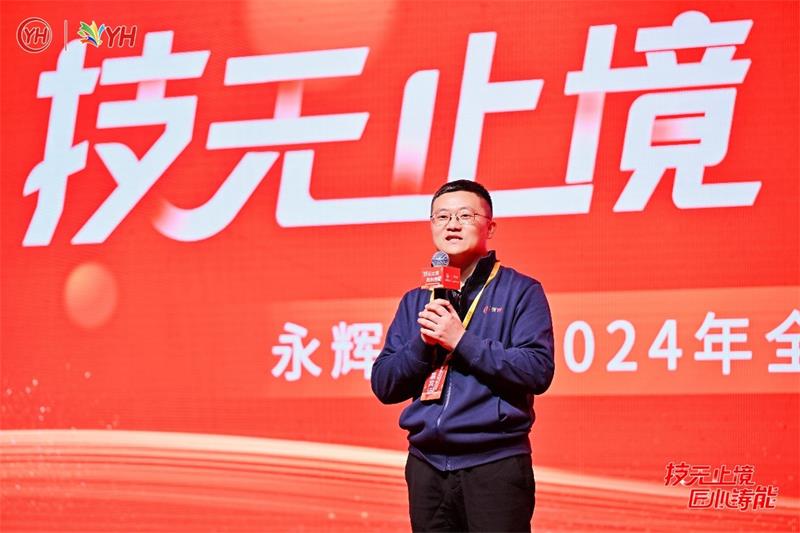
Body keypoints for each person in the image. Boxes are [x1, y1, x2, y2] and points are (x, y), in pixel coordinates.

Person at [370, 180, 555, 532]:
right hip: (426, 466)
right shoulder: (416, 299)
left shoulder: (521, 291)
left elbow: (537, 370)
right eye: (442, 216)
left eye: (465, 215)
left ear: (490, 227)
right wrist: (423, 344)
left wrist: (461, 341)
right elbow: (384, 384)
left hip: (494, 464)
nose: (452, 225)